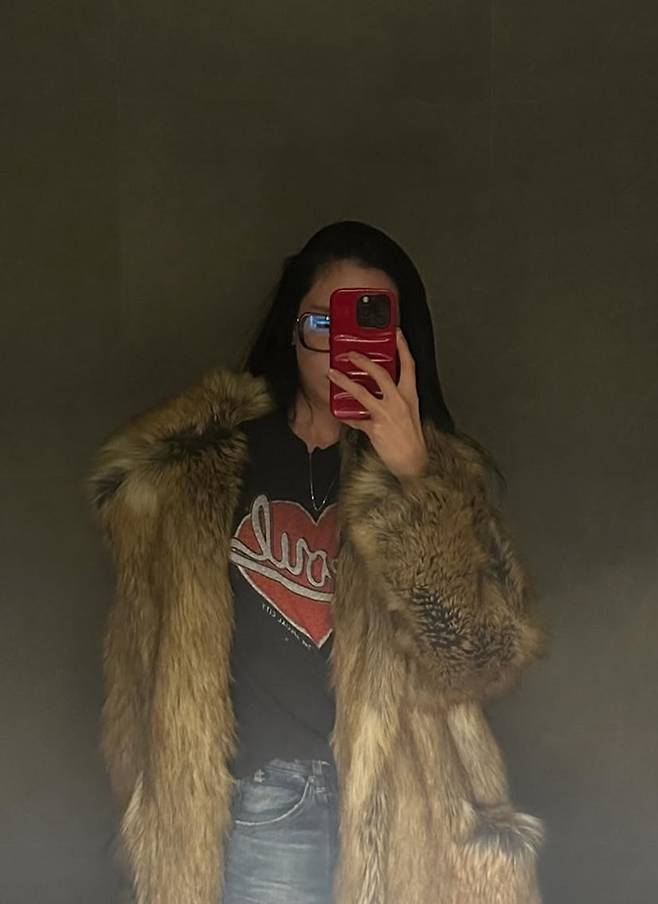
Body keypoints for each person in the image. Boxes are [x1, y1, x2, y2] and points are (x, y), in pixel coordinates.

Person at [87, 220, 547, 904]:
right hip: (262, 804)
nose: (339, 347)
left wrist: (414, 478)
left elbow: (480, 660)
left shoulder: (437, 476)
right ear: (290, 327)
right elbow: (142, 660)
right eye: (321, 323)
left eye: (366, 323)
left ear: (401, 342)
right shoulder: (196, 469)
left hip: (407, 821)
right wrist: (157, 820)